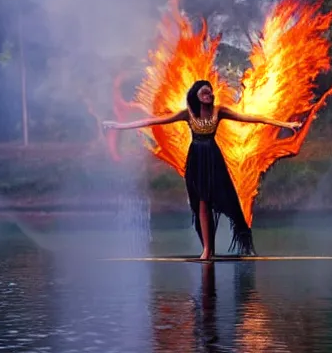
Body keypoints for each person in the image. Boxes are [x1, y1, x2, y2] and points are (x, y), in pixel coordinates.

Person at [103, 80, 301, 260]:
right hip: (197, 159)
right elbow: (153, 121)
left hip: (213, 158)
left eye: (211, 93)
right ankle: (207, 249)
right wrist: (120, 126)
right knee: (202, 202)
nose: (209, 95)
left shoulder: (219, 111)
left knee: (218, 199)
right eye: (205, 92)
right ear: (196, 95)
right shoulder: (188, 113)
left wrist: (286, 124)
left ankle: (214, 247)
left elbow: (252, 118)